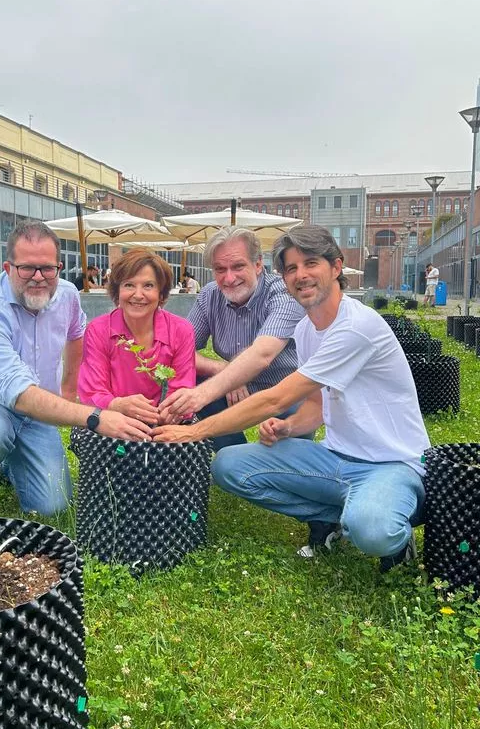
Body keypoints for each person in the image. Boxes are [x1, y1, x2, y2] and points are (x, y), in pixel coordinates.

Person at [152, 226, 429, 572]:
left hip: (391, 464)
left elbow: (275, 395)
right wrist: (288, 427)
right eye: (291, 268)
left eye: (310, 263)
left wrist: (194, 431)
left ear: (336, 267)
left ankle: (393, 528)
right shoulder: (307, 328)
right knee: (228, 466)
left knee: (373, 531)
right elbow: (316, 404)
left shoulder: (356, 326)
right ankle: (338, 516)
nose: (301, 275)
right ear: (283, 276)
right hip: (336, 458)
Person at [0, 220, 152, 519]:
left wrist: (69, 390)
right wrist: (94, 416)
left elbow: (76, 333)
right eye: (27, 268)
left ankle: (9, 462)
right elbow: (18, 393)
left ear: (58, 266)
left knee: (54, 505)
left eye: (47, 268)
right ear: (8, 268)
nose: (38, 278)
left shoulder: (67, 295)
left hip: (37, 408)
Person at [159, 226, 305, 450]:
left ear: (258, 265)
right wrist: (222, 371)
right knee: (188, 378)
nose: (229, 278)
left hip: (285, 391)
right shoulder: (209, 295)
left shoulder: (284, 293)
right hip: (233, 391)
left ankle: (281, 452)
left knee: (290, 460)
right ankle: (232, 449)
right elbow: (178, 352)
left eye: (238, 266)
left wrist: (224, 379)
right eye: (220, 269)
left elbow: (263, 354)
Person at [78, 248, 196, 424]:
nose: (138, 295)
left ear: (161, 293)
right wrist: (118, 405)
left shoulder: (181, 330)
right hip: (113, 421)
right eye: (129, 285)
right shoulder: (98, 330)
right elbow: (92, 391)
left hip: (168, 423)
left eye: (148, 286)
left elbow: (182, 388)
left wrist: (160, 418)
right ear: (117, 291)